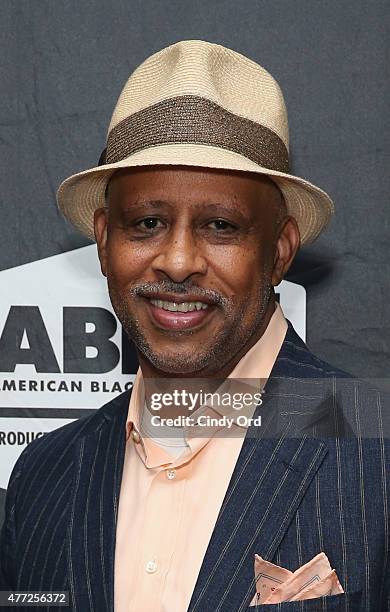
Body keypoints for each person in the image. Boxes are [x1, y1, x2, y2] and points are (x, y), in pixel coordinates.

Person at [0, 40, 388, 612]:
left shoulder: (376, 452)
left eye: (221, 226)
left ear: (279, 251)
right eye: (148, 222)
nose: (178, 261)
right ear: (105, 241)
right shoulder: (43, 476)